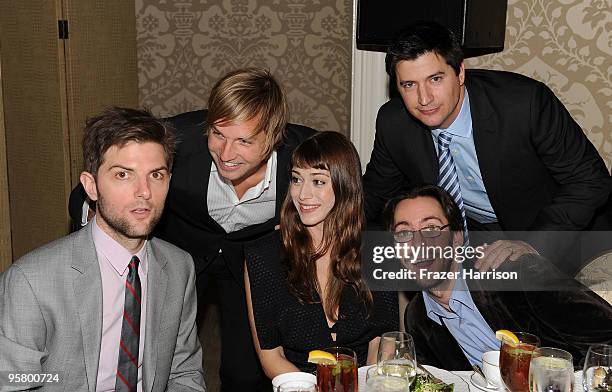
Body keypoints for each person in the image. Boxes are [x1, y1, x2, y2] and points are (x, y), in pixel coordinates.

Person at [69, 68, 317, 390]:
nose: (226, 154)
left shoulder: (306, 158)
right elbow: (88, 192)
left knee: (245, 373)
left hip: (247, 264)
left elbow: (353, 204)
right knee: (153, 358)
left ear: (273, 136)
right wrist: (103, 240)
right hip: (180, 252)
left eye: (244, 140)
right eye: (218, 134)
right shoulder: (176, 141)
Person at [363, 21, 612, 275]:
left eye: (435, 79)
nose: (424, 98)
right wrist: (329, 223)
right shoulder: (394, 123)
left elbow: (590, 180)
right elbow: (375, 194)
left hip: (565, 235)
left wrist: (532, 245)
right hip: (480, 242)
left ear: (460, 72)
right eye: (409, 85)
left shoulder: (524, 104)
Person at [0, 107, 205, 391]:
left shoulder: (180, 267)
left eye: (156, 175)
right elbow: (14, 383)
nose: (144, 191)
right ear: (91, 186)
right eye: (123, 175)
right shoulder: (31, 281)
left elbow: (183, 373)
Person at [386, 184, 612, 370]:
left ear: (456, 238)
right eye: (404, 233)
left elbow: (606, 339)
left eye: (431, 228)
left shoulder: (515, 272)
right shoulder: (417, 317)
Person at [244, 132, 399, 378]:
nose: (303, 194)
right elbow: (271, 357)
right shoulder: (264, 256)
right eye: (296, 179)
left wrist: (367, 382)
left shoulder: (378, 248)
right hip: (297, 383)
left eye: (318, 181)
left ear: (344, 184)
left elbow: (384, 339)